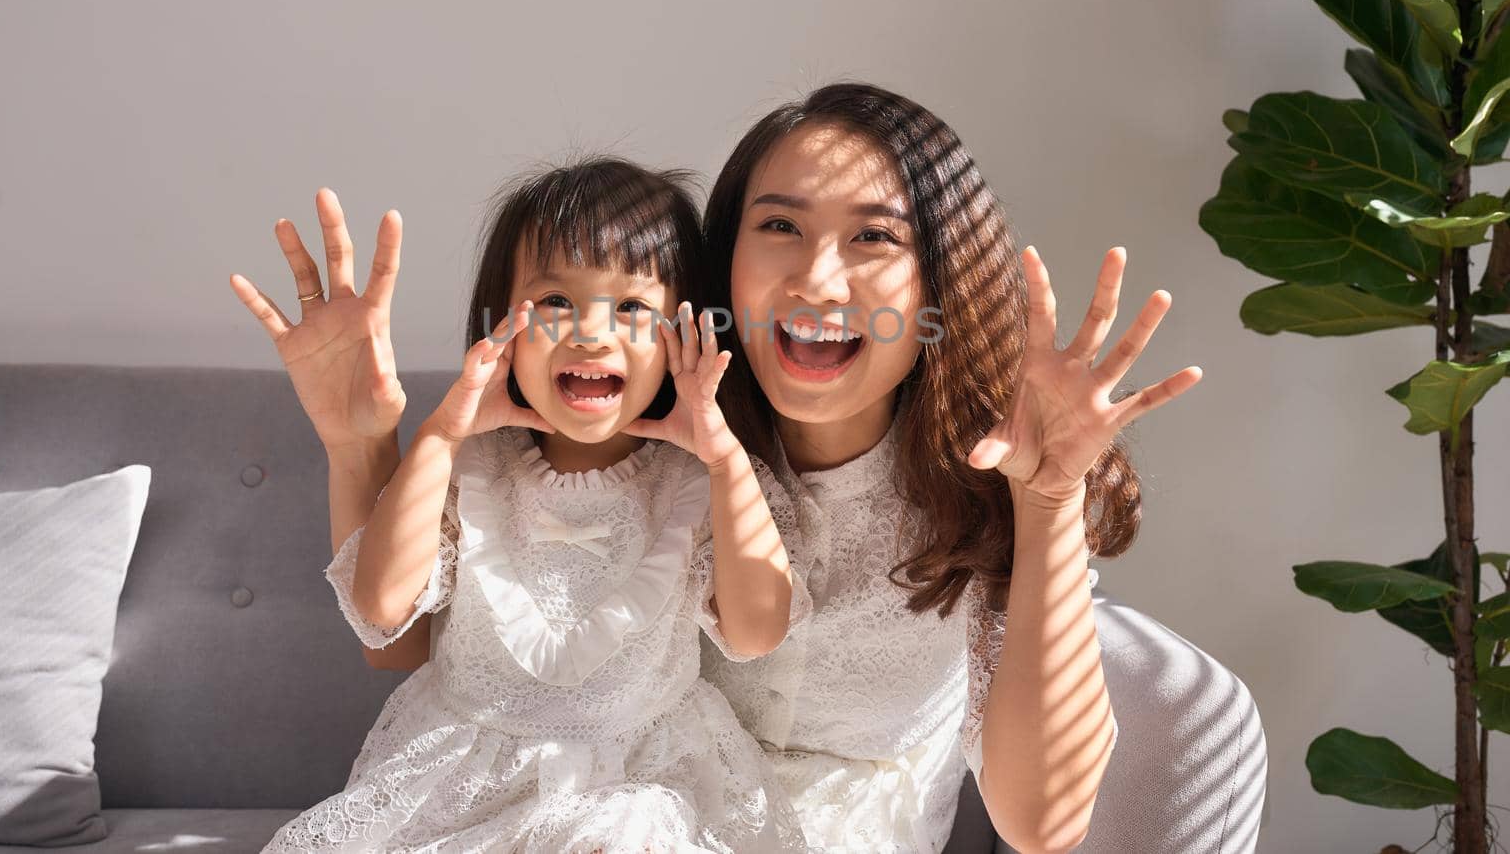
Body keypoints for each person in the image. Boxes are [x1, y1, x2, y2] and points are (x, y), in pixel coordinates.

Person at [234, 158, 808, 853]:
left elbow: (756, 633)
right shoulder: (468, 462)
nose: (590, 333)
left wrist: (722, 459)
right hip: (464, 784)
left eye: (632, 307)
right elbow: (382, 611)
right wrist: (441, 434)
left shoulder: (700, 477)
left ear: (684, 335)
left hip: (640, 782)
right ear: (499, 322)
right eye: (555, 302)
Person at [691, 81, 1202, 853]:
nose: (817, 279)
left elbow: (1044, 825)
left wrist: (1050, 500)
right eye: (779, 225)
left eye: (874, 239)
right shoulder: (658, 445)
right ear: (726, 257)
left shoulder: (988, 490)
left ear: (940, 282)